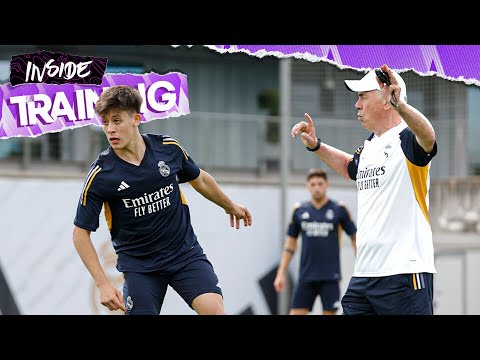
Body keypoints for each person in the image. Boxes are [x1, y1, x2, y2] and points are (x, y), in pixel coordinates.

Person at [72, 85, 252, 315]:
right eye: (105, 122)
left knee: (214, 310)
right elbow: (80, 234)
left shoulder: (168, 148)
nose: (110, 129)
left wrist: (231, 206)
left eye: (117, 121)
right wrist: (103, 284)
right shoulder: (101, 174)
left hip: (184, 254)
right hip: (140, 268)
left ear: (136, 119)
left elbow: (200, 180)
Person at [290, 64, 437, 315]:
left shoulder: (407, 139)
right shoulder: (370, 145)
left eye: (363, 97)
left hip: (404, 274)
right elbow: (351, 167)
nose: (357, 105)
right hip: (364, 276)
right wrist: (316, 145)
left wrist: (400, 103)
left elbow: (429, 138)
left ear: (386, 101)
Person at [273, 168, 357, 315]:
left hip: (330, 277)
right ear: (307, 186)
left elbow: (355, 239)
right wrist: (281, 273)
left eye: (320, 183)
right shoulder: (299, 211)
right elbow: (290, 245)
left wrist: (361, 268)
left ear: (326, 185)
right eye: (313, 184)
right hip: (306, 277)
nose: (317, 187)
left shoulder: (339, 209)